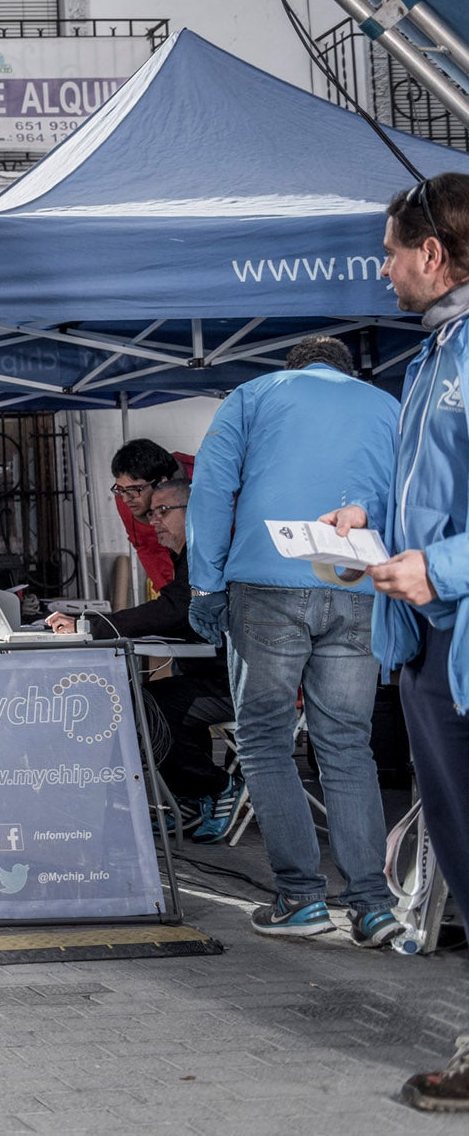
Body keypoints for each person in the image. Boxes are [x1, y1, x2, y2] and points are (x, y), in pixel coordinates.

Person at [318, 173, 469, 1112]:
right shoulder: (432, 356)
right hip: (426, 648)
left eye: (389, 251)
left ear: (432, 254)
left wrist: (441, 568)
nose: (381, 270)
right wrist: (373, 522)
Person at [183, 336, 402, 943]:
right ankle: (372, 905)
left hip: (268, 584)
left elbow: (210, 489)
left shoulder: (253, 396)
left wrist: (205, 586)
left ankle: (301, 899)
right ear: (345, 372)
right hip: (358, 582)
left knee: (263, 739)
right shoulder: (387, 406)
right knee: (348, 745)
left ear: (294, 368)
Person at [47, 479, 235, 838]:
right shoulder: (187, 556)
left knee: (148, 707)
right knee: (152, 701)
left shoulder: (207, 552)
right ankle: (192, 796)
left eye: (164, 511)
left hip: (234, 683)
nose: (156, 521)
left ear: (191, 512)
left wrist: (94, 625)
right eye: (152, 514)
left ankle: (216, 786)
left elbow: (176, 609)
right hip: (209, 674)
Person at [110, 439, 194, 591]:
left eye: (135, 489)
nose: (125, 499)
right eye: (120, 489)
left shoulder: (205, 480)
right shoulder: (126, 497)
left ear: (161, 482)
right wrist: (169, 597)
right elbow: (147, 547)